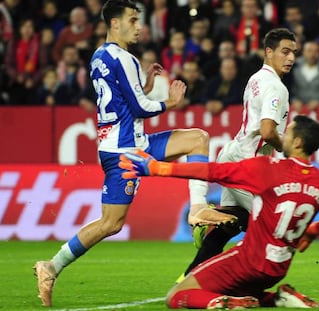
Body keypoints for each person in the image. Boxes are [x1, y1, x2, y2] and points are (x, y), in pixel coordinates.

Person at [33, 0, 235, 307]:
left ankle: (197, 209)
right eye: (132, 19)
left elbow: (125, 98)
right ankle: (52, 265)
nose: (139, 26)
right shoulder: (124, 57)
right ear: (114, 23)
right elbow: (141, 107)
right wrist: (171, 102)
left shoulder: (100, 56)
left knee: (198, 139)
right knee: (110, 224)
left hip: (131, 143)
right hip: (125, 152)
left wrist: (146, 84)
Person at [119, 115, 319, 309]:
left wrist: (160, 168)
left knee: (176, 295)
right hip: (278, 269)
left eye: (287, 134)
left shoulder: (269, 169)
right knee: (245, 288)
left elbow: (213, 171)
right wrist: (313, 230)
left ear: (297, 142)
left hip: (247, 262)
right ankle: (278, 297)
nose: (282, 137)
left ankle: (223, 303)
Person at [179, 28, 298, 282]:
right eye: (285, 52)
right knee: (273, 226)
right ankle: (239, 280)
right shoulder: (277, 88)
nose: (290, 58)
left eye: (293, 53)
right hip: (247, 168)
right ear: (269, 52)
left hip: (232, 155)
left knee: (229, 225)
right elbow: (267, 130)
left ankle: (189, 278)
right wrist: (284, 146)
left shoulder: (255, 78)